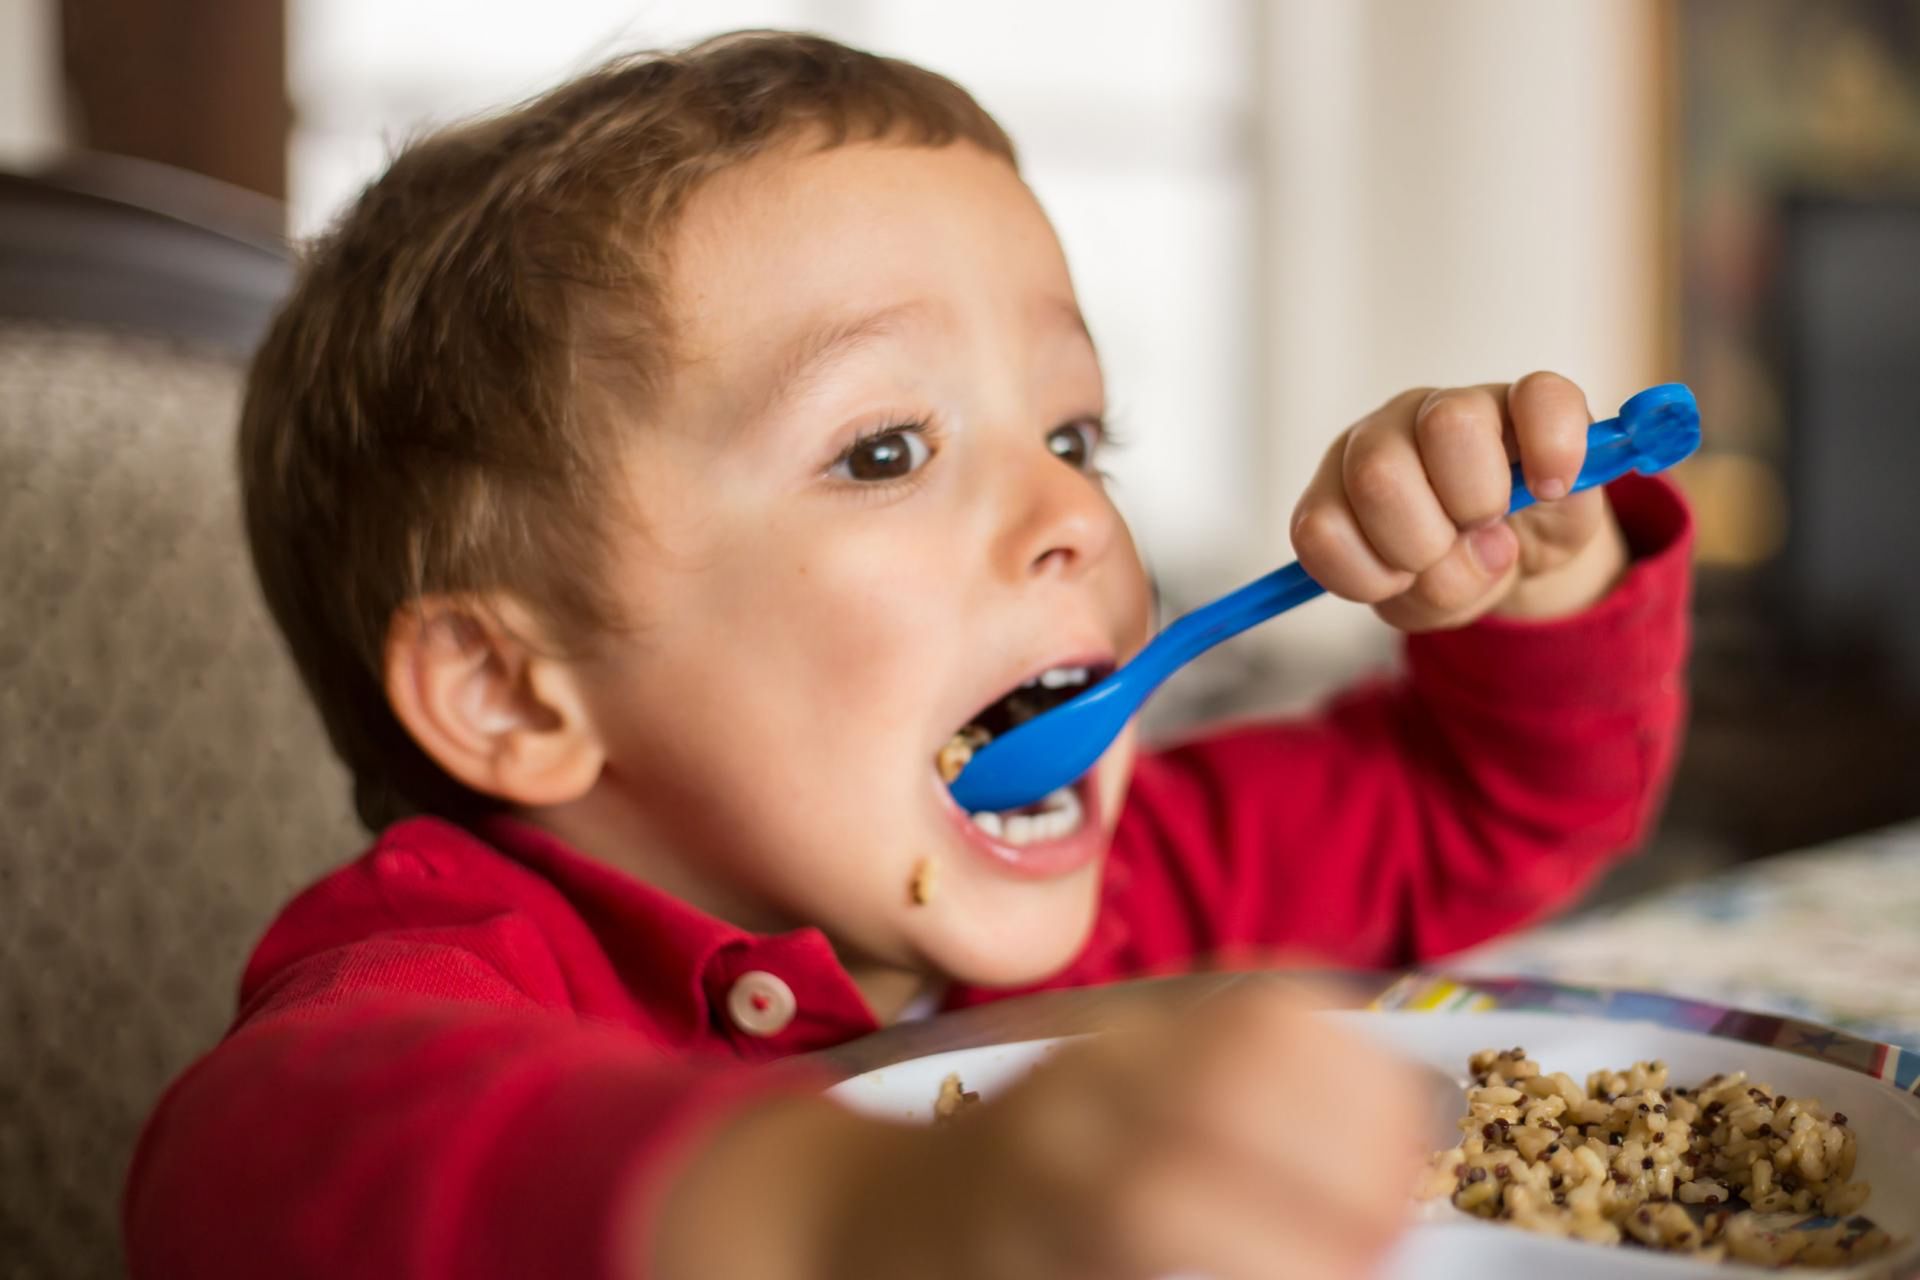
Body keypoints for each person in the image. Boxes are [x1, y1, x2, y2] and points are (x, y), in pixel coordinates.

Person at [123, 31, 1691, 1280]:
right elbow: (252, 1169)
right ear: (515, 691)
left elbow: (1480, 808)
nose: (1076, 505)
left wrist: (1542, 581)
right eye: (884, 451)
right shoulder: (463, 974)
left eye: (1075, 431)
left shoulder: (1143, 893)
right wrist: (856, 1214)